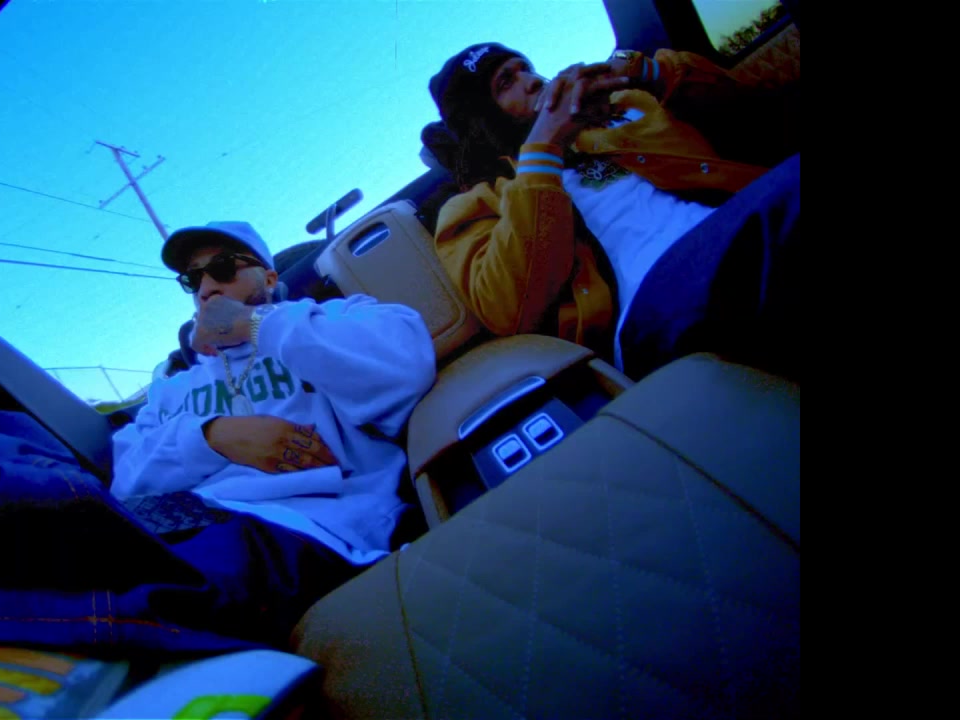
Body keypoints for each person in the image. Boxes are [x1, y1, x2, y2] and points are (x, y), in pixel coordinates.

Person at [108, 220, 437, 645]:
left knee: (134, 608)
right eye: (193, 278)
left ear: (267, 277)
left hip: (297, 528)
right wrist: (212, 436)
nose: (206, 288)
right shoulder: (173, 388)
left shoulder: (330, 321)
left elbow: (404, 367)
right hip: (177, 520)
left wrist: (253, 323)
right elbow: (125, 483)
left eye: (223, 268)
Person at [424, 42, 800, 381]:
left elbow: (751, 110)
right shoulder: (475, 206)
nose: (532, 80)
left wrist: (641, 72)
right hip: (650, 308)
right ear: (481, 119)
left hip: (739, 226)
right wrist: (545, 145)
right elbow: (509, 308)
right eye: (506, 83)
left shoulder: (625, 106)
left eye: (526, 67)